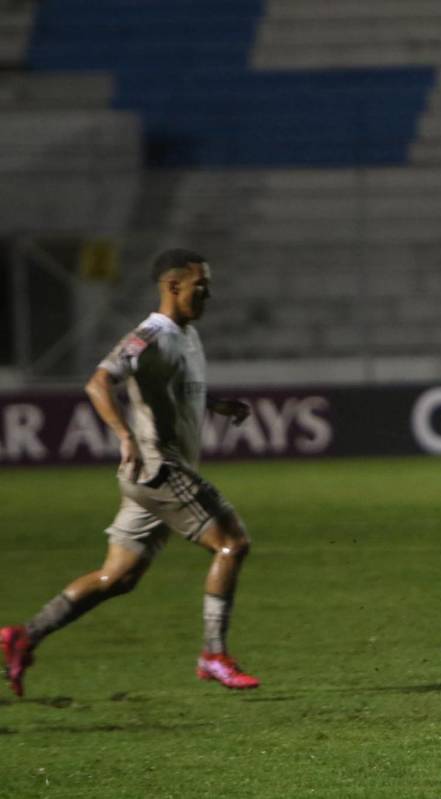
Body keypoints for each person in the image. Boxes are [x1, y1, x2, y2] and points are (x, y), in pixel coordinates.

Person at [1, 249, 259, 697]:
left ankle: (25, 636)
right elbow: (99, 381)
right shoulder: (150, 334)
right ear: (173, 286)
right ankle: (212, 654)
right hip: (160, 470)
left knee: (116, 577)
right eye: (201, 285)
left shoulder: (186, 334)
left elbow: (176, 386)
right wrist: (123, 434)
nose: (208, 293)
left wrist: (216, 404)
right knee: (232, 544)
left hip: (150, 479)